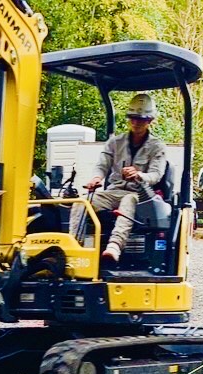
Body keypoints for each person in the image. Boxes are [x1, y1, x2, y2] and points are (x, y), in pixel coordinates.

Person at [72, 93, 171, 262]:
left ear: (150, 121)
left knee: (128, 200)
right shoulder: (115, 143)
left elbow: (156, 175)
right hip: (113, 191)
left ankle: (115, 246)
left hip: (139, 196)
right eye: (132, 118)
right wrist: (97, 178)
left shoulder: (157, 147)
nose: (136, 122)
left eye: (141, 119)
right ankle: (74, 245)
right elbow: (102, 165)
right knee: (82, 202)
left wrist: (139, 175)